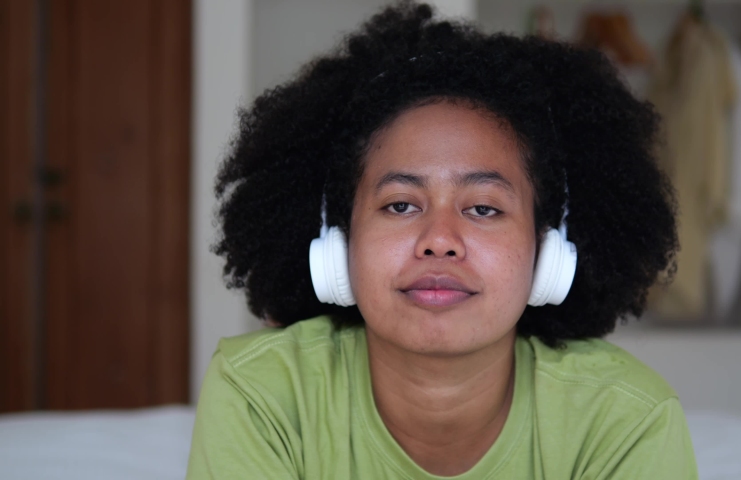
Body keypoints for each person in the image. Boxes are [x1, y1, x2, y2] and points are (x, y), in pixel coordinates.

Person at [187, 2, 696, 478]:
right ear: (339, 243)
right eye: (400, 205)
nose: (439, 240)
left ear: (548, 250)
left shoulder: (625, 420)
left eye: (483, 208)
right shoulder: (260, 396)